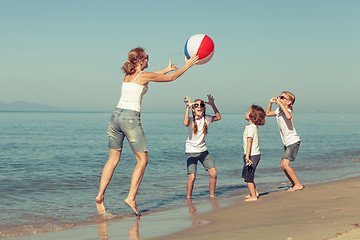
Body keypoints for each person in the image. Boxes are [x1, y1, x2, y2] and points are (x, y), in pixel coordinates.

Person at [95, 47, 199, 216]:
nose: (149, 60)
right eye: (147, 58)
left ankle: (100, 196)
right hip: (130, 118)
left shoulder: (128, 75)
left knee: (112, 159)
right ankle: (131, 197)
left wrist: (165, 69)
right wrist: (187, 65)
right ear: (141, 60)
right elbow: (170, 78)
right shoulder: (142, 76)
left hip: (115, 116)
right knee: (143, 160)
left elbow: (152, 75)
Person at [183, 95, 221, 199]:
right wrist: (187, 107)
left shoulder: (206, 119)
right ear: (193, 109)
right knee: (192, 176)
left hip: (203, 151)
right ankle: (188, 198)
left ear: (203, 108)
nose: (199, 107)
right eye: (196, 105)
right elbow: (185, 122)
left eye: (201, 105)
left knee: (213, 173)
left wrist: (213, 104)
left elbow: (218, 117)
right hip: (191, 151)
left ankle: (212, 196)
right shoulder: (191, 120)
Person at [266, 91, 303, 191]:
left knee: (286, 164)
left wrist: (282, 105)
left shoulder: (287, 110)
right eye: (279, 97)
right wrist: (270, 103)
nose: (280, 98)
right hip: (287, 142)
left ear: (289, 102)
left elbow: (288, 116)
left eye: (282, 97)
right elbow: (268, 113)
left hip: (293, 141)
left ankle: (298, 184)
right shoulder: (279, 110)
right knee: (283, 165)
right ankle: (293, 184)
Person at [242, 105, 266, 201]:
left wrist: (247, 157)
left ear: (252, 116)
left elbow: (249, 142)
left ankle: (253, 196)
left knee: (248, 176)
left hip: (251, 155)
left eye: (248, 112)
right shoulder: (252, 127)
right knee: (248, 174)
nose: (246, 113)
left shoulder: (250, 128)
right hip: (254, 155)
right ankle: (254, 192)